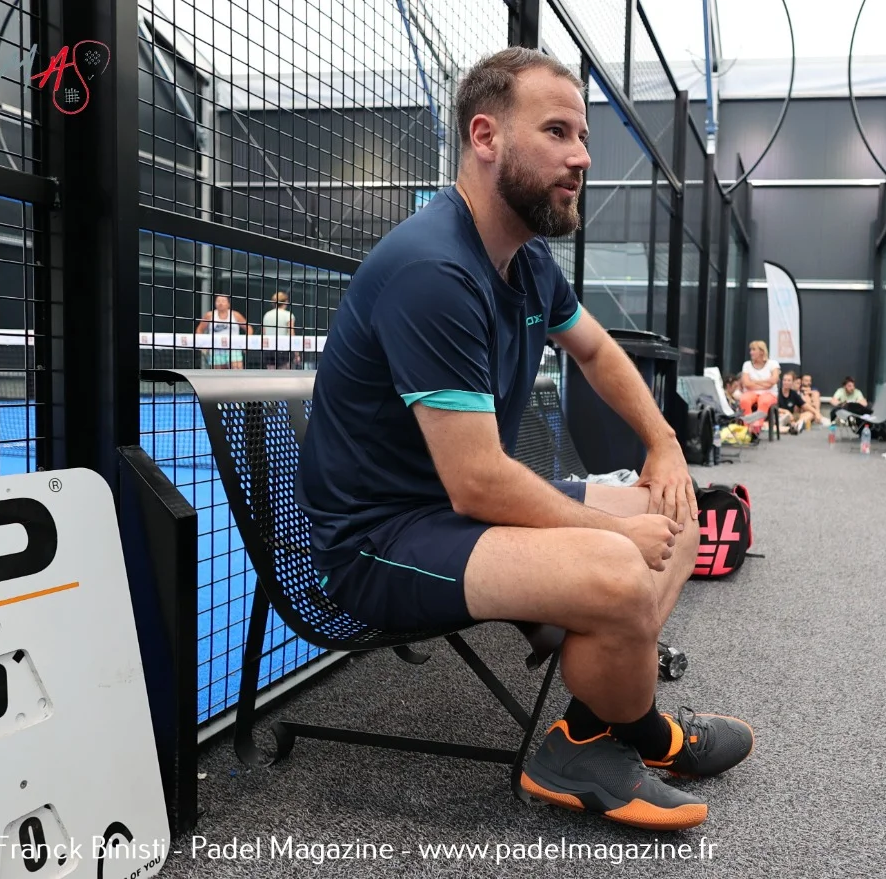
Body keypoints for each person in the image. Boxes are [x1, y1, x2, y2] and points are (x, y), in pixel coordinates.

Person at [295, 48, 752, 832]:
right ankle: (639, 729)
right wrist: (613, 532)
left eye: (582, 136)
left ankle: (587, 732)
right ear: (485, 136)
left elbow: (601, 353)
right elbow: (477, 484)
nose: (580, 156)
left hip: (456, 514)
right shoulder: (433, 269)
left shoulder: (530, 261)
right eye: (557, 131)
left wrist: (665, 443)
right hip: (381, 540)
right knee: (622, 561)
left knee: (680, 513)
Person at [738, 340, 780, 436]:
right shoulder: (747, 364)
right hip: (750, 392)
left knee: (764, 401)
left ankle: (755, 430)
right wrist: (765, 382)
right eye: (750, 350)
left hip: (769, 393)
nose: (750, 352)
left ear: (761, 351)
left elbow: (773, 381)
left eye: (753, 350)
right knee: (744, 400)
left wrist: (755, 382)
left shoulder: (773, 364)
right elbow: (746, 383)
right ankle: (748, 428)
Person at [195, 295, 248, 369]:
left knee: (237, 371)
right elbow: (199, 330)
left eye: (223, 301)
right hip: (216, 349)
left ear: (228, 304)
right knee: (218, 375)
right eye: (218, 301)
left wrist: (246, 343)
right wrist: (203, 345)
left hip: (233, 348)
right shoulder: (209, 315)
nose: (220, 303)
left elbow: (249, 328)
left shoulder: (235, 315)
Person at [260, 291, 299, 369]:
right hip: (283, 349)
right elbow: (291, 333)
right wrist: (296, 353)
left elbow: (264, 333)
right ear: (285, 302)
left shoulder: (267, 315)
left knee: (270, 374)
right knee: (284, 375)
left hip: (269, 349)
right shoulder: (288, 315)